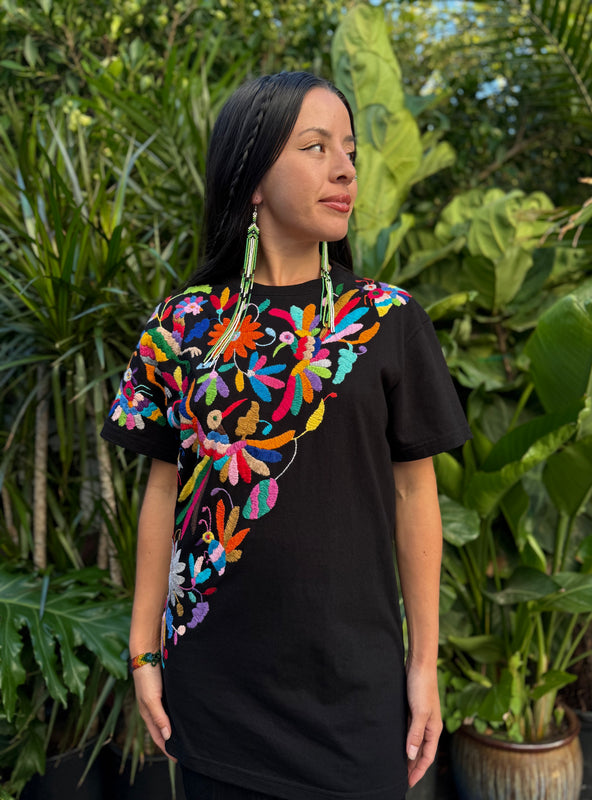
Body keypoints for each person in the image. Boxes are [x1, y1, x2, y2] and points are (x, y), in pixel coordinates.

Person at [101, 71, 471, 800]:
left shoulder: (389, 321)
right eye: (315, 147)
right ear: (254, 178)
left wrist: (423, 666)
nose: (344, 169)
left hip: (354, 697)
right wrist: (144, 652)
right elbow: (162, 492)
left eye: (350, 151)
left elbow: (414, 494)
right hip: (215, 695)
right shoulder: (182, 327)